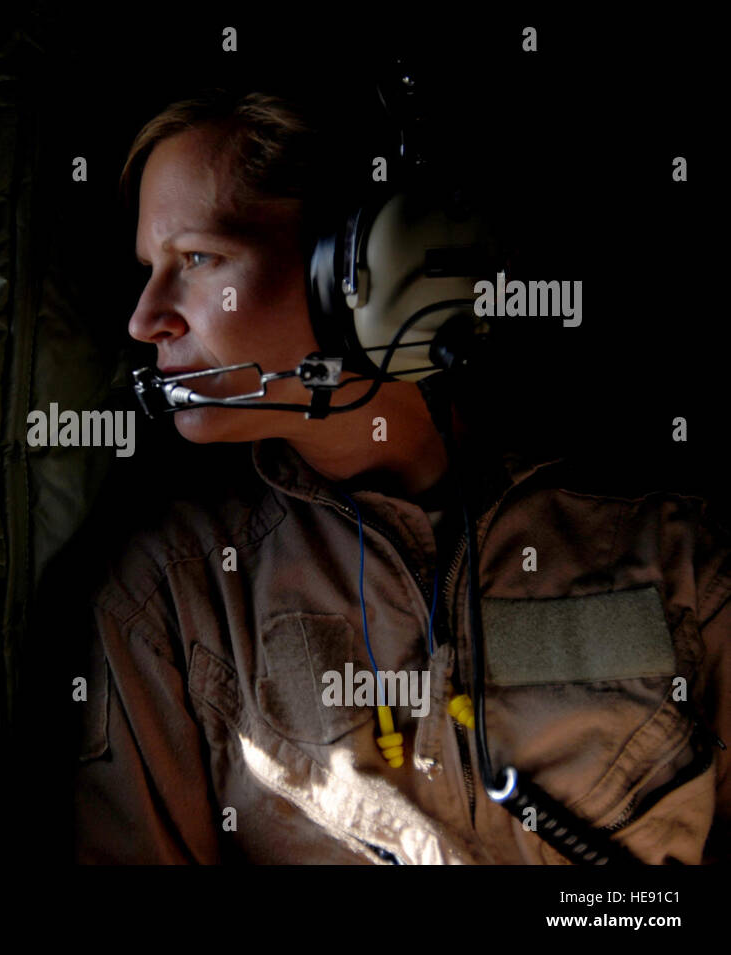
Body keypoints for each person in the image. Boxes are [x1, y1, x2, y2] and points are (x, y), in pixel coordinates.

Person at [71, 89, 731, 864]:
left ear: (368, 270)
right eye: (153, 268)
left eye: (199, 259)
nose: (146, 318)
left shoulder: (674, 555)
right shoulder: (176, 599)